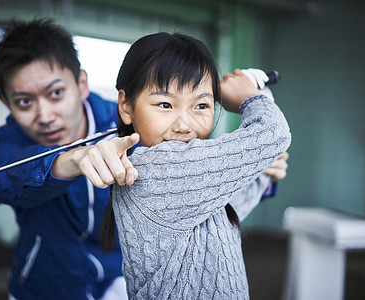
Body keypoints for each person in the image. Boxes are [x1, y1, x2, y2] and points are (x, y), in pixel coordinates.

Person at [0, 19, 287, 299]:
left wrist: (262, 175)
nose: (45, 116)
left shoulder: (129, 117)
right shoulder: (5, 142)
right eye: (24, 101)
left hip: (119, 281)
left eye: (55, 93)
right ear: (6, 101)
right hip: (47, 284)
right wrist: (72, 160)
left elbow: (204, 207)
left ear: (81, 83)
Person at [100, 32, 291, 299]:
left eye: (201, 105)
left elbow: (226, 211)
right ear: (126, 106)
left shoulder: (188, 171)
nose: (184, 125)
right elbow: (274, 135)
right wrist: (251, 97)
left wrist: (264, 174)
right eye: (165, 104)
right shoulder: (154, 169)